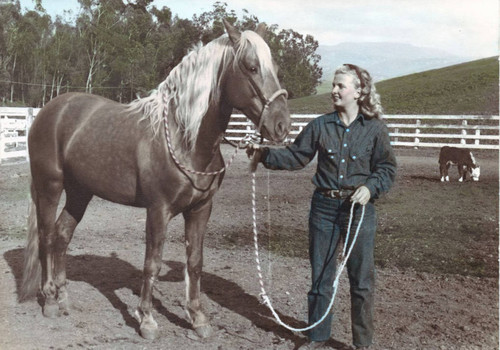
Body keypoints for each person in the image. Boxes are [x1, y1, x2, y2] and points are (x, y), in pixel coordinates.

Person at [247, 64, 397, 349]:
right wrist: (263, 154)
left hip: (359, 211)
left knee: (361, 279)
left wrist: (370, 187)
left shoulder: (376, 129)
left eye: (341, 85)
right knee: (321, 276)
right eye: (334, 85)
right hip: (323, 210)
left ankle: (362, 343)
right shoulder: (319, 125)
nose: (335, 90)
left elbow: (387, 169)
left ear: (359, 91)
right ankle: (317, 336)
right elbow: (295, 157)